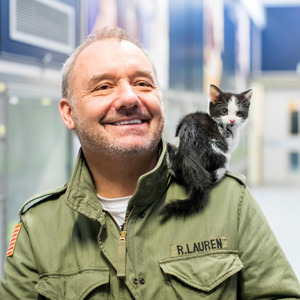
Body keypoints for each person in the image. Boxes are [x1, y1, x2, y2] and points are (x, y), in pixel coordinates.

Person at [0, 26, 300, 300]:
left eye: (142, 83)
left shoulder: (228, 200)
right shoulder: (38, 228)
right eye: (103, 86)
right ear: (68, 113)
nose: (129, 98)